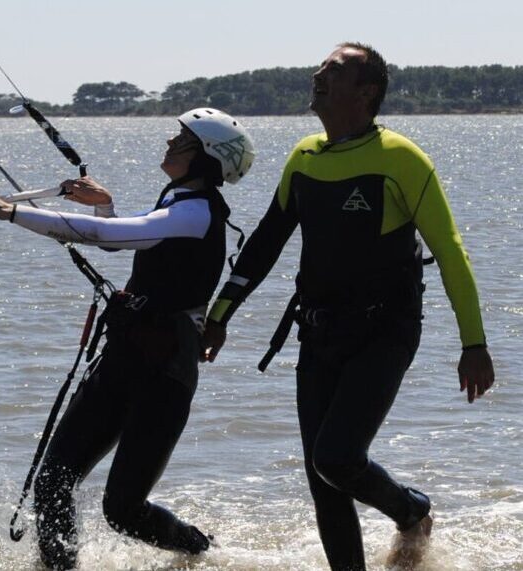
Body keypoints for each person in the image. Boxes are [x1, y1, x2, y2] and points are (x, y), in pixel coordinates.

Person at [201, 42, 495, 570]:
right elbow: (265, 243)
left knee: (336, 457)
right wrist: (219, 314)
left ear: (366, 92)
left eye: (333, 70)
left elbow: (451, 252)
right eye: (321, 68)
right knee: (324, 480)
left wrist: (473, 343)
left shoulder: (401, 159)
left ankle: (412, 511)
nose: (317, 74)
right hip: (318, 333)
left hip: (386, 331)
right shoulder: (305, 156)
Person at [0, 108, 255, 570]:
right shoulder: (177, 203)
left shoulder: (197, 213)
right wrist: (104, 203)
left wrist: (13, 213)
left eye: (180, 139)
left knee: (122, 511)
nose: (168, 142)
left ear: (205, 158)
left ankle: (202, 552)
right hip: (123, 359)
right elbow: (120, 236)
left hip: (165, 376)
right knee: (53, 484)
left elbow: (109, 235)